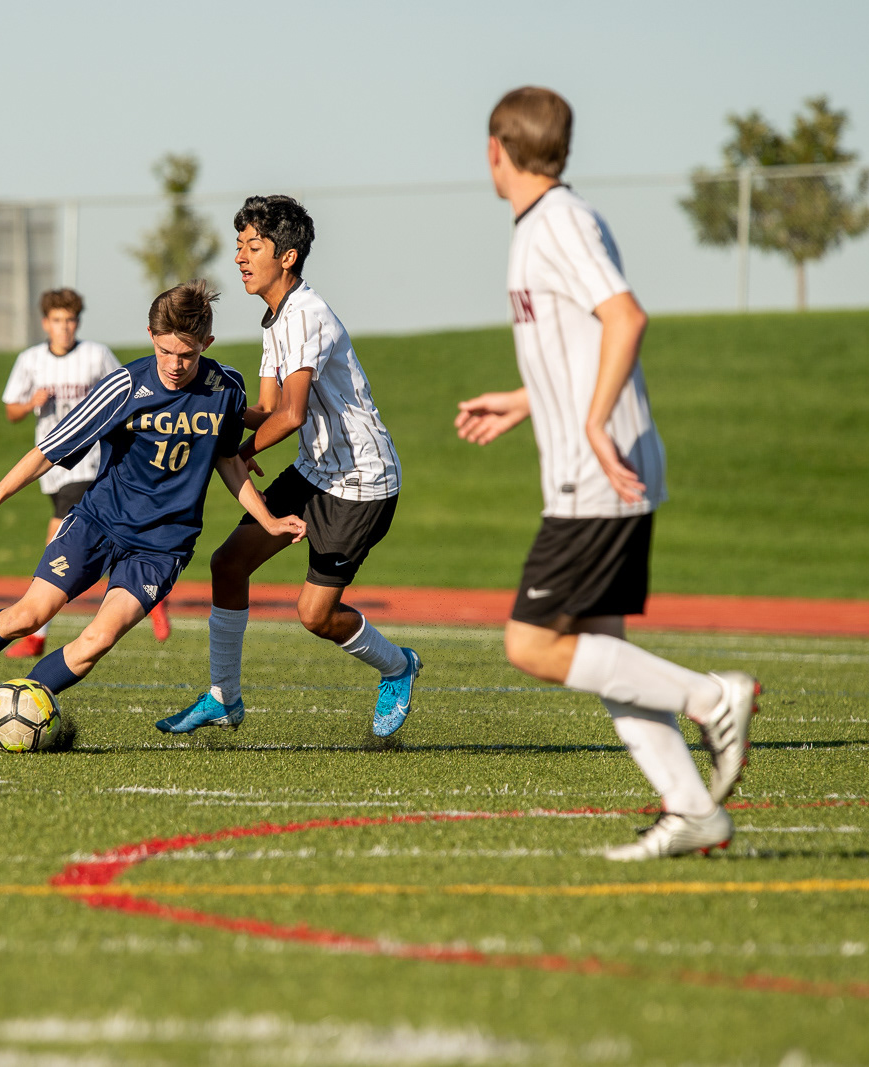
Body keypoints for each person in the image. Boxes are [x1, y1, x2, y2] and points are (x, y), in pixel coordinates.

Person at [454, 87, 758, 861]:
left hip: (596, 473)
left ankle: (710, 697)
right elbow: (582, 344)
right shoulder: (546, 223)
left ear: (495, 149)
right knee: (602, 650)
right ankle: (692, 809)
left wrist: (591, 424)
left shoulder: (558, 221)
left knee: (531, 644)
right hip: (595, 468)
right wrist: (526, 401)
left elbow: (626, 317)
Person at [0, 281, 305, 734]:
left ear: (206, 344)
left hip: (162, 546)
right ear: (151, 336)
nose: (175, 365)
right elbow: (47, 452)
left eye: (187, 355)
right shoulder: (124, 386)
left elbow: (227, 459)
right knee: (27, 616)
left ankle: (4, 717)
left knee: (98, 639)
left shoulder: (225, 387)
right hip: (98, 523)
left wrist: (267, 519)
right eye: (165, 351)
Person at [158, 196, 418, 739]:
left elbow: (291, 415)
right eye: (239, 246)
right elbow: (265, 408)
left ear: (288, 256)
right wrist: (205, 406)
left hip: (361, 483)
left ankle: (398, 666)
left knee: (315, 615)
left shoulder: (306, 315)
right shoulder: (276, 317)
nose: (239, 257)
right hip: (314, 471)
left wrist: (240, 452)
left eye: (252, 247)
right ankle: (223, 697)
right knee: (229, 565)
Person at [0, 289, 172, 655]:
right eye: (58, 320)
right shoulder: (30, 360)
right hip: (52, 465)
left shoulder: (96, 355)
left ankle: (36, 634)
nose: (65, 327)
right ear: (46, 323)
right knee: (101, 538)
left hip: (88, 461)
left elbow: (133, 393)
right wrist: (30, 404)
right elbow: (11, 411)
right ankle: (150, 593)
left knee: (57, 537)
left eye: (71, 320)